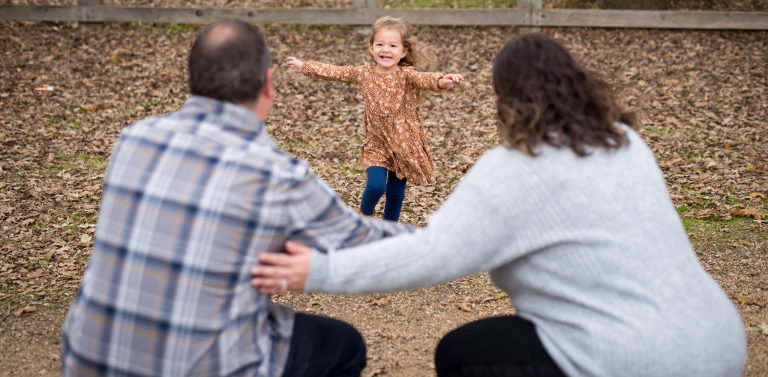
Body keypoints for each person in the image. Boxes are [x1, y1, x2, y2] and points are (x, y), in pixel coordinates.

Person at [252, 33, 747, 377]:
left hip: (643, 360)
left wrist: (317, 270)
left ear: (506, 100)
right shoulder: (624, 143)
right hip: (719, 339)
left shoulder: (513, 170)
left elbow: (431, 255)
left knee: (463, 352)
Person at [60, 19, 415, 377]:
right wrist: (452, 237)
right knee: (344, 344)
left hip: (87, 359)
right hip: (204, 365)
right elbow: (366, 244)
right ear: (268, 84)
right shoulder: (275, 174)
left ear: (194, 77)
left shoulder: (132, 140)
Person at [285, 16, 464, 222]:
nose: (385, 50)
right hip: (376, 143)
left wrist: (442, 81)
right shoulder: (364, 73)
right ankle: (364, 216)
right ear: (371, 48)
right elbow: (336, 72)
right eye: (380, 44)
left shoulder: (406, 75)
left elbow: (426, 79)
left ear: (403, 52)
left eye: (393, 45)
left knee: (395, 193)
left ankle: (390, 229)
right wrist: (305, 66)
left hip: (404, 143)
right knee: (376, 186)